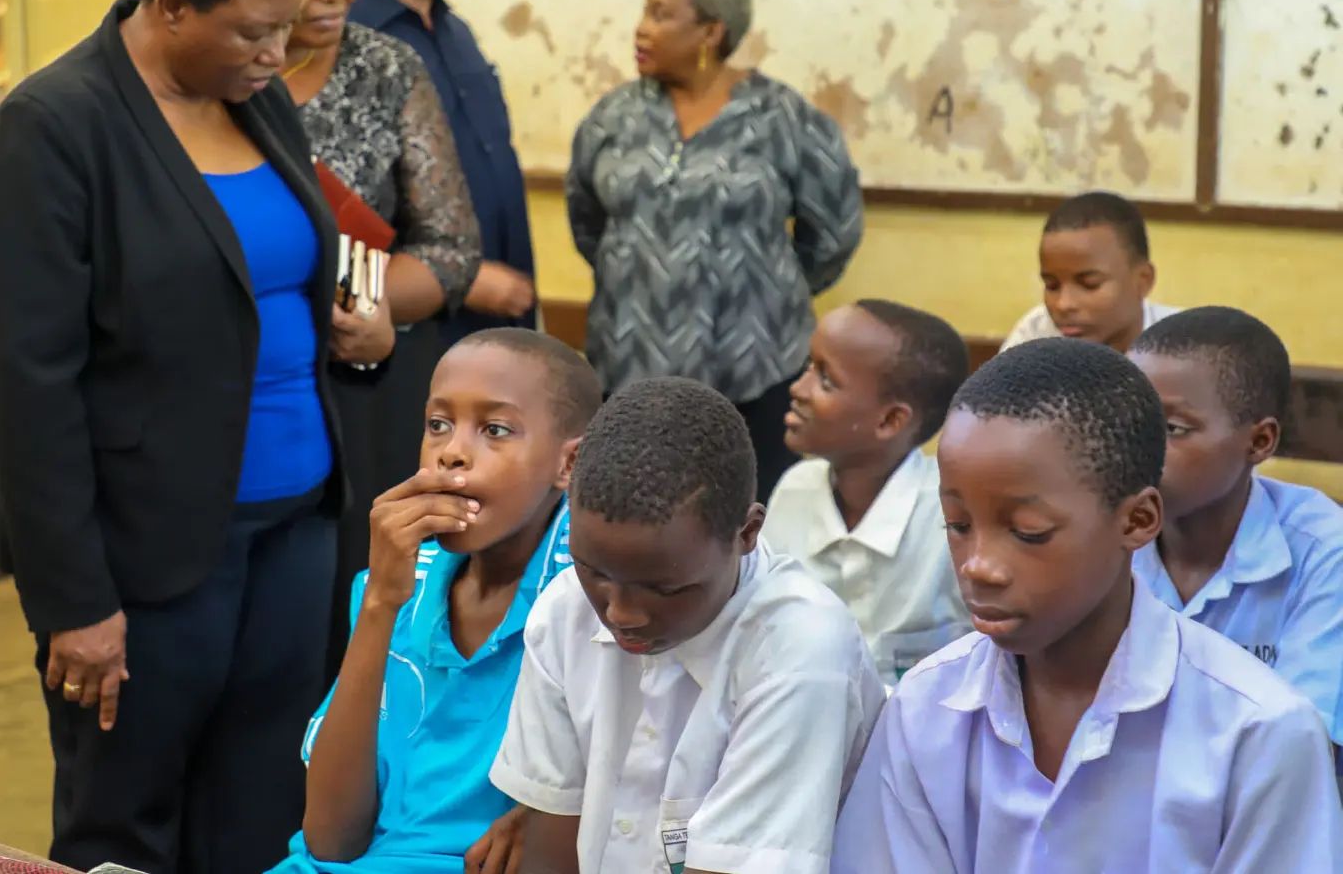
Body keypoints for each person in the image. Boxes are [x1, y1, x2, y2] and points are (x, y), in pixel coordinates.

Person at [0, 0, 393, 873]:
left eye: (288, 28)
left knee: (263, 801)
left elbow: (286, 272)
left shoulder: (255, 100)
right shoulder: (53, 132)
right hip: (145, 550)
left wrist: (360, 331)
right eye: (255, 31)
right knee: (129, 815)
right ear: (169, 8)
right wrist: (75, 602)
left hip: (293, 525)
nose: (278, 55)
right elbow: (29, 388)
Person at [831, 339, 1343, 873]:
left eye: (1028, 531)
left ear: (1138, 521)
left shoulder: (1258, 733)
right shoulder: (924, 708)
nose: (978, 566)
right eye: (958, 525)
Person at [208, 0, 483, 673]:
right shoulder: (207, 79)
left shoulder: (387, 67)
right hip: (229, 395)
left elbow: (452, 243)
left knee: (358, 620)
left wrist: (376, 308)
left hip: (366, 387)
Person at [490, 376, 885, 874]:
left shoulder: (802, 650)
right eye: (594, 571)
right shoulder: (564, 610)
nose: (620, 613)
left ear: (747, 532)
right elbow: (553, 848)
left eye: (665, 589)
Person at [274, 329, 601, 874]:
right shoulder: (396, 583)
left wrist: (553, 810)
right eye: (438, 425)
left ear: (569, 465)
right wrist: (380, 603)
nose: (452, 452)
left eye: (495, 430)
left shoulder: (596, 603)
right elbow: (330, 838)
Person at [566, 0, 862, 498]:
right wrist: (645, 276)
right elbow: (587, 221)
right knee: (637, 517)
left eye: (661, 15)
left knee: (748, 521)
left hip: (756, 369)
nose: (641, 29)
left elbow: (834, 231)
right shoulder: (614, 116)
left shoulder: (782, 117)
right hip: (630, 367)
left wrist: (761, 288)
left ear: (711, 32)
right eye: (644, 12)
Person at [1129, 306, 1343, 752]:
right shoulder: (1102, 534)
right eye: (1132, 423)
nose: (1139, 449)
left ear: (1260, 441)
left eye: (1172, 428)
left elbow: (1300, 747)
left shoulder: (1324, 552)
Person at [348, 0, 535, 345]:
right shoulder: (358, 46)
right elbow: (353, 195)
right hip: (417, 316)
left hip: (501, 299)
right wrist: (456, 275)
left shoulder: (455, 30)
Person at [763, 299, 972, 687]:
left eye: (826, 380)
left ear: (890, 420)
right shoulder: (794, 490)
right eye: (808, 366)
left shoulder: (954, 518)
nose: (798, 388)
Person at [1001, 190, 1176, 353]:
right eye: (1052, 286)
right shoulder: (1034, 338)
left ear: (1143, 280)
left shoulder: (1184, 346)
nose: (1063, 304)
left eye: (1089, 285)